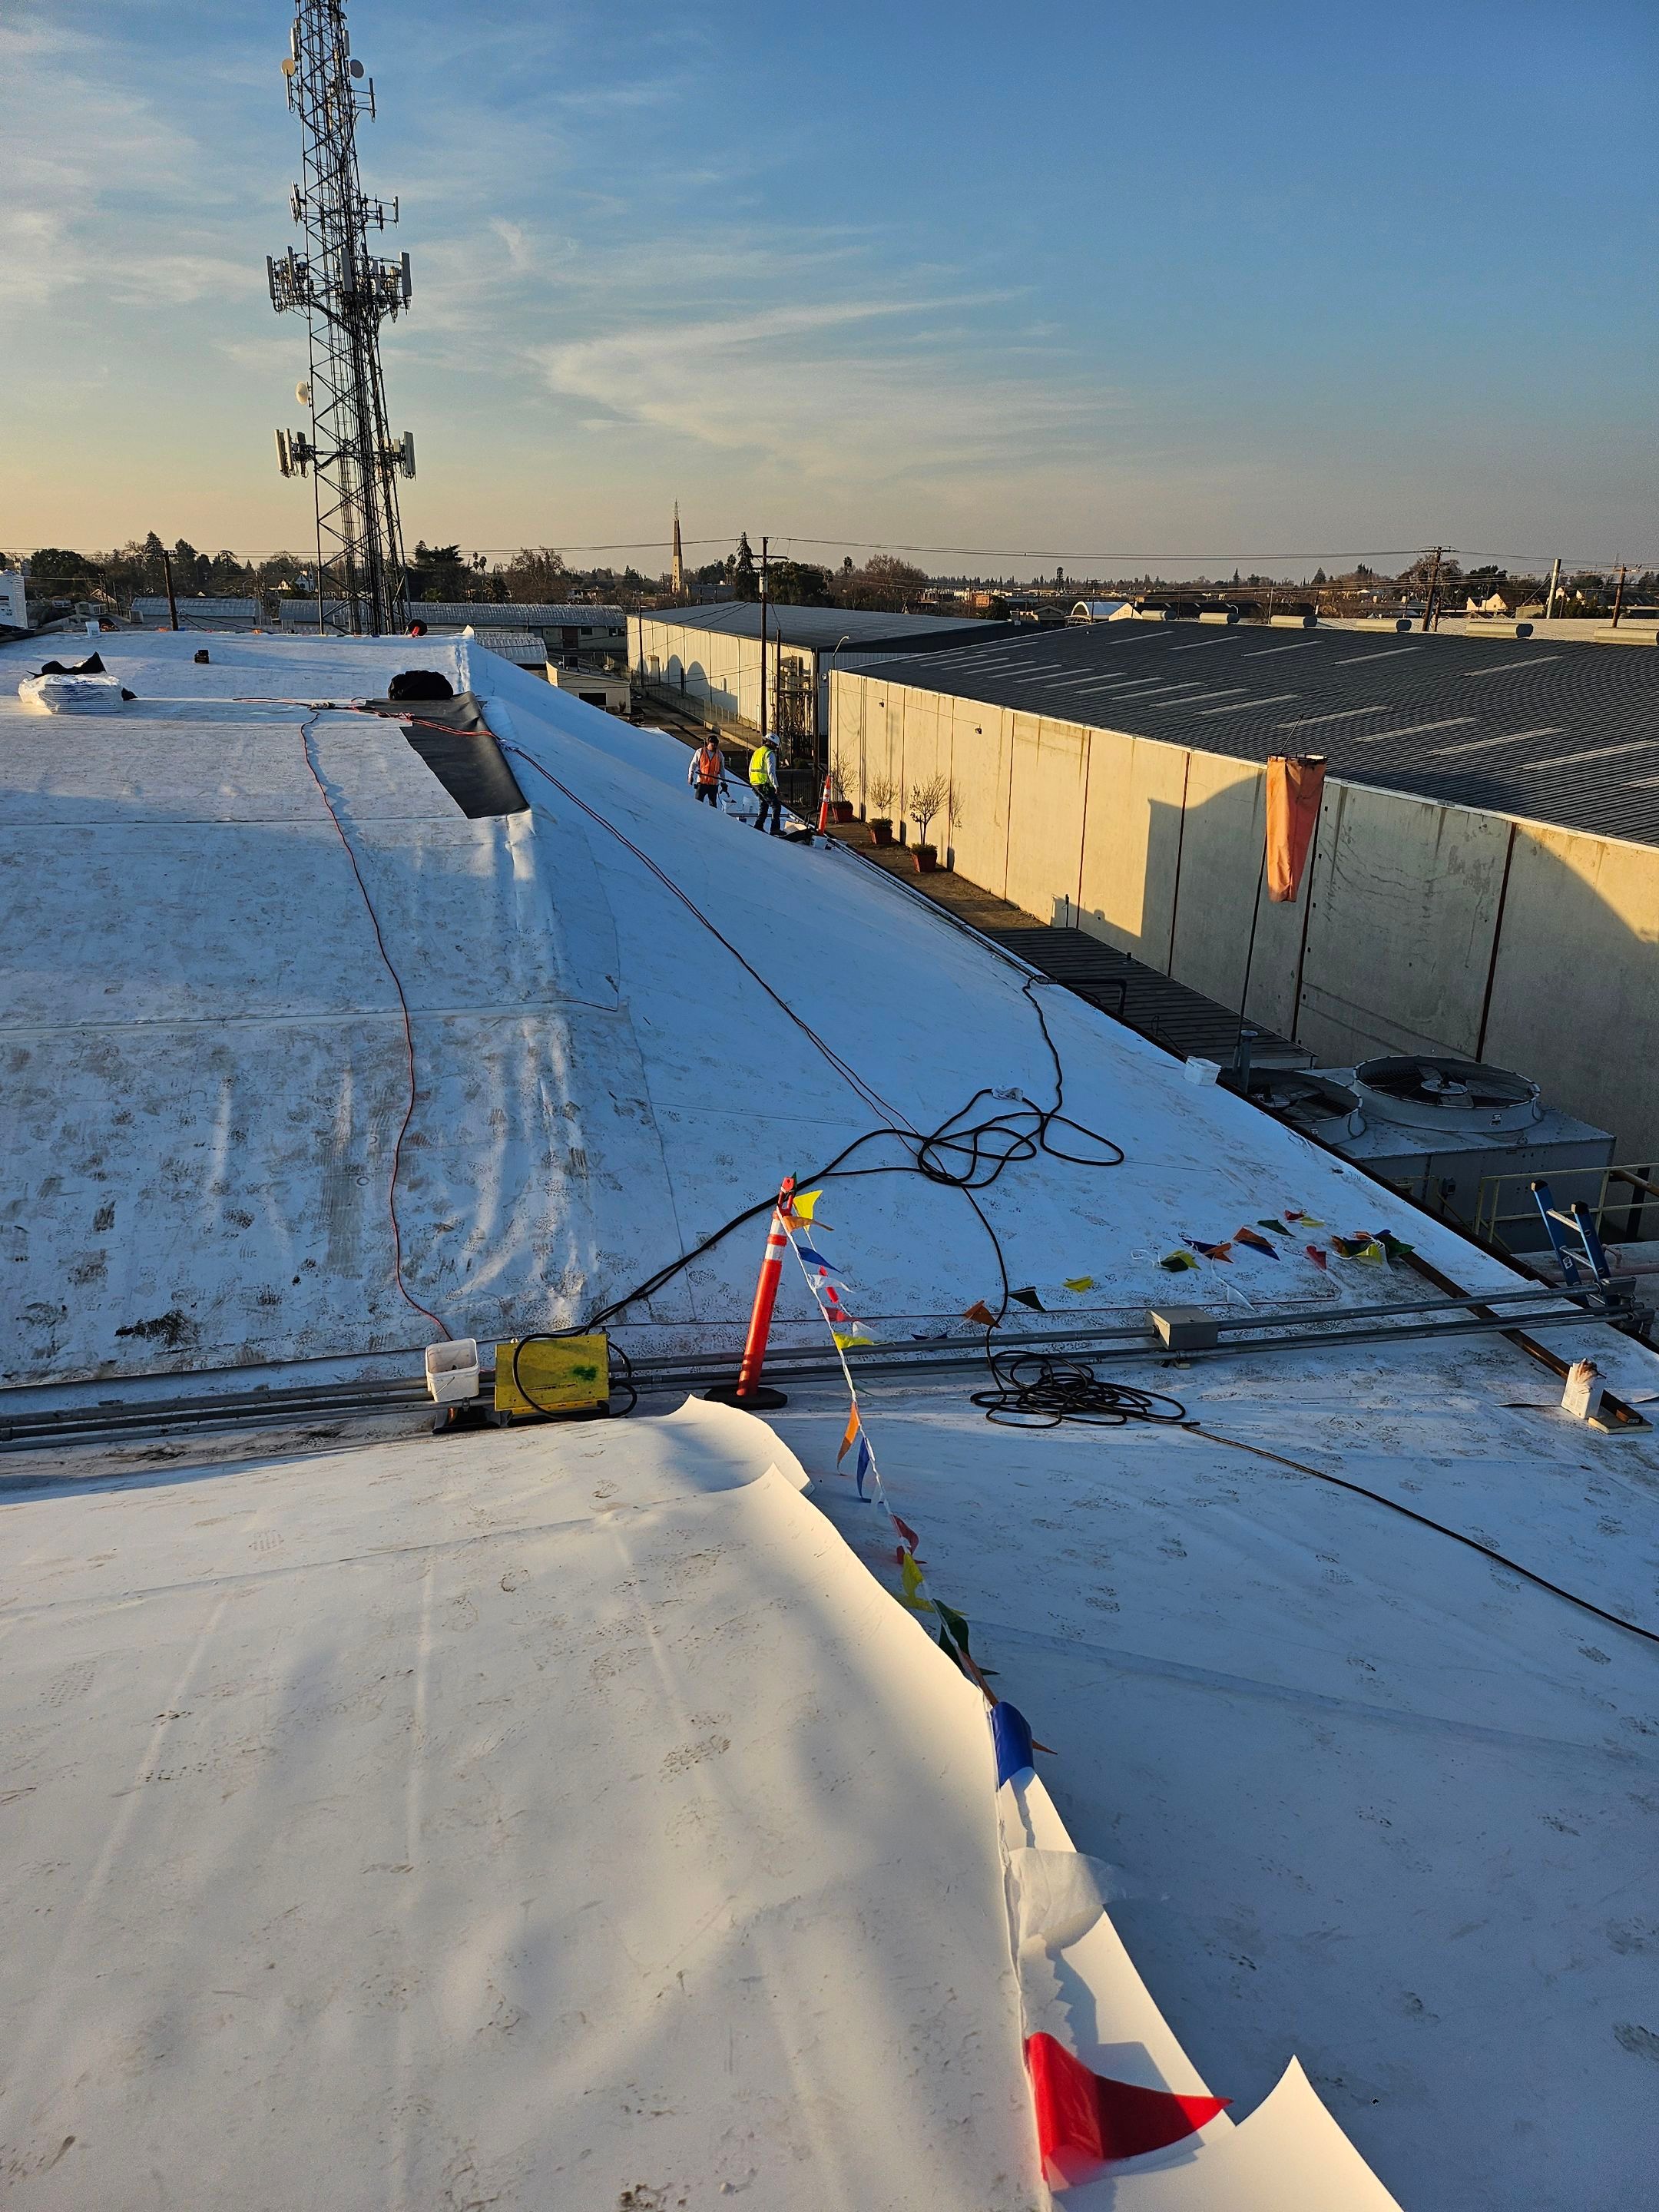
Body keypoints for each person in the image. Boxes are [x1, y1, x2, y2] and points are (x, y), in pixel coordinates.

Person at [748, 731, 783, 835]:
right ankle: (774, 829)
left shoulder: (757, 752)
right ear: (772, 743)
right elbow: (771, 772)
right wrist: (776, 786)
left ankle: (759, 825)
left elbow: (750, 769)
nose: (776, 748)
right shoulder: (769, 753)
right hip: (764, 784)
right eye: (776, 746)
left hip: (755, 783)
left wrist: (752, 782)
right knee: (776, 805)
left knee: (764, 804)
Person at [687, 735, 725, 808]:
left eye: (716, 745)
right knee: (698, 803)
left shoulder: (719, 754)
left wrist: (724, 782)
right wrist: (690, 776)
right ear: (708, 743)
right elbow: (693, 764)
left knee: (713, 805)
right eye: (713, 744)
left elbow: (722, 769)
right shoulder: (700, 752)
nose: (714, 746)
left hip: (713, 784)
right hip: (702, 783)